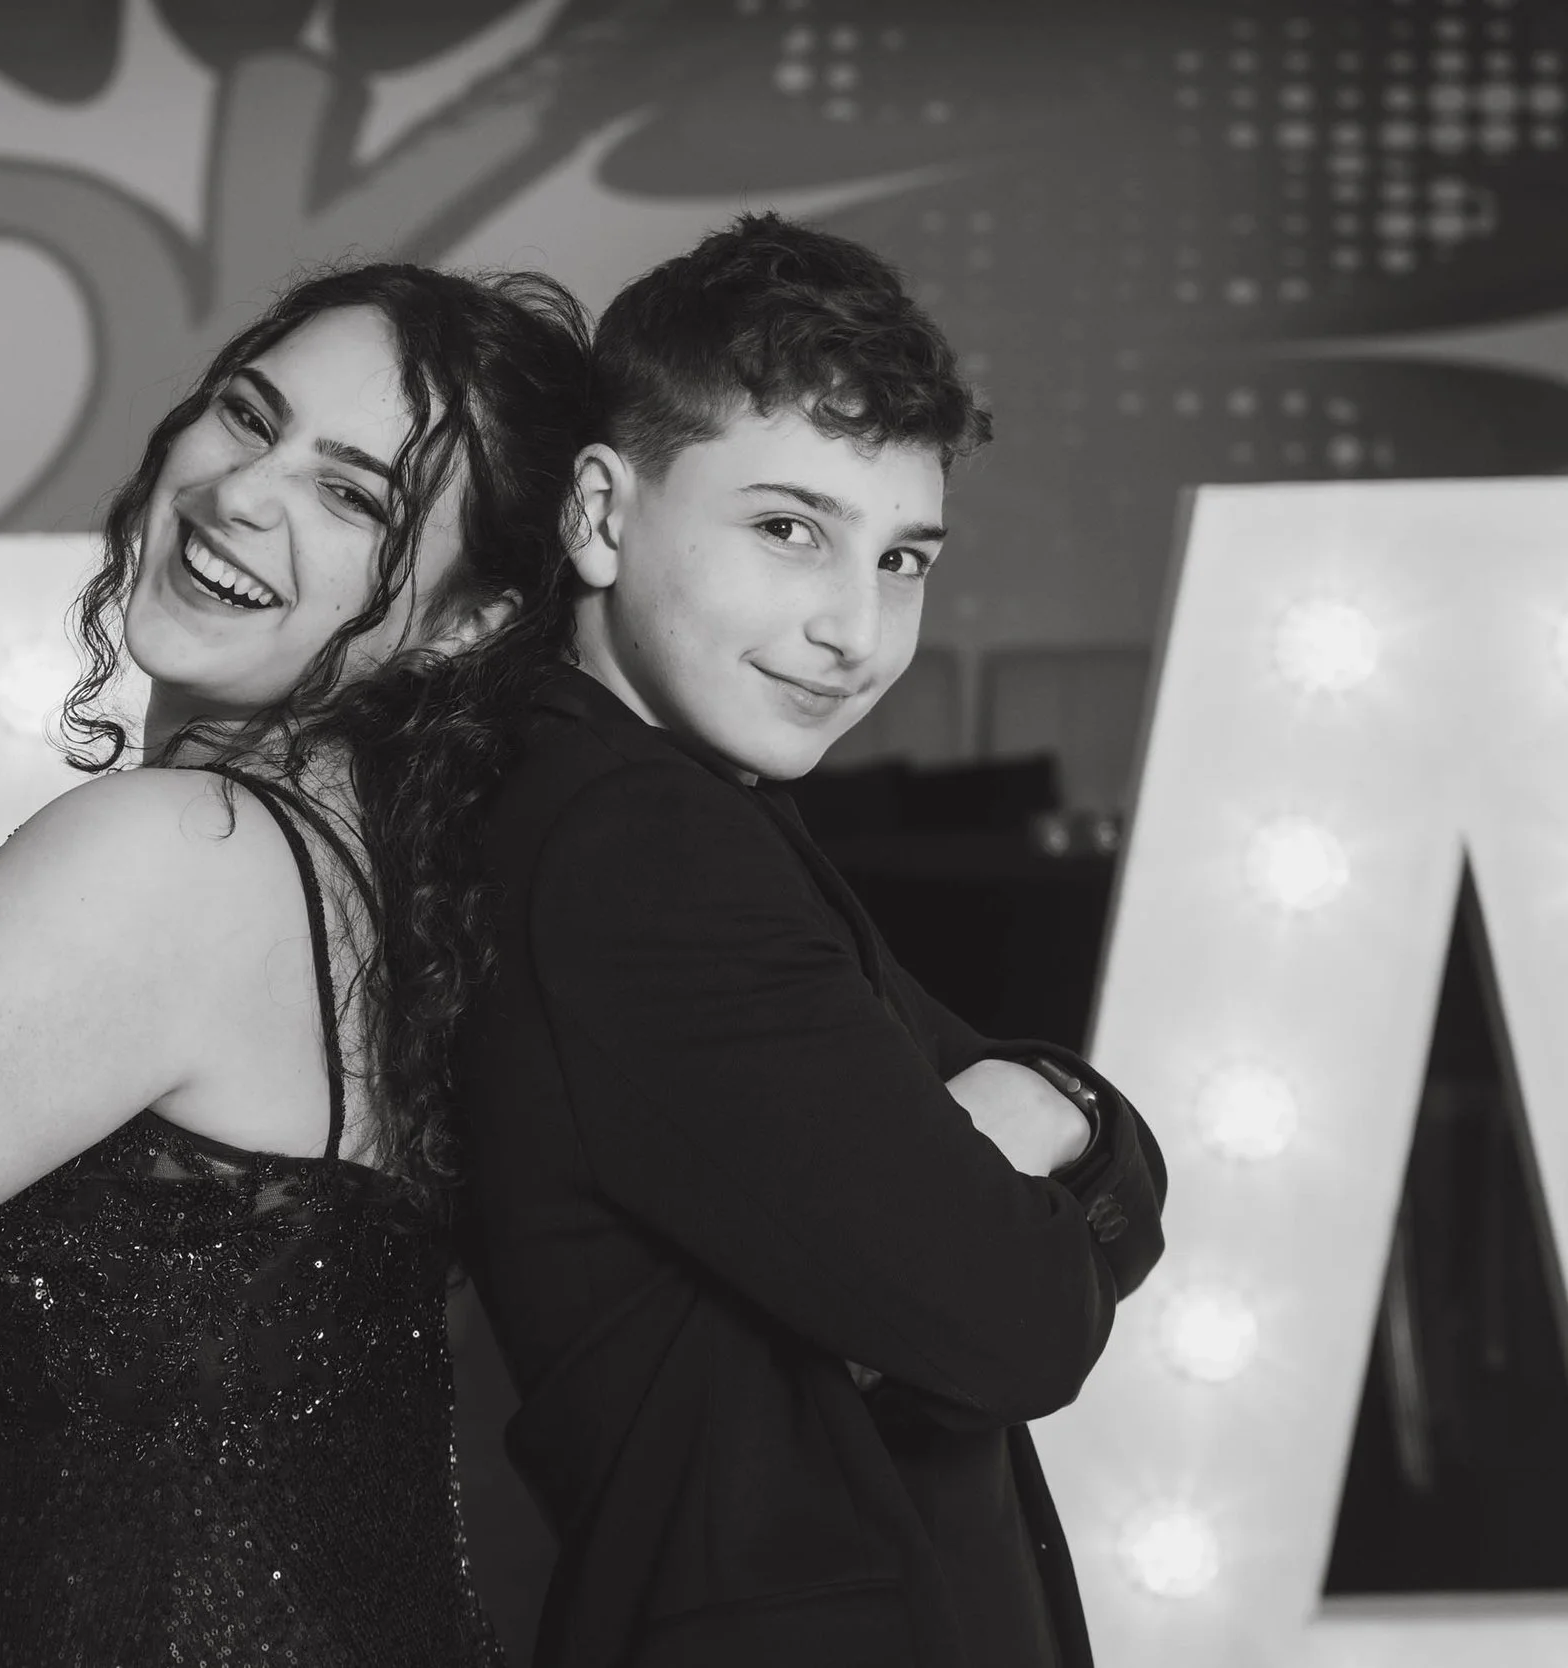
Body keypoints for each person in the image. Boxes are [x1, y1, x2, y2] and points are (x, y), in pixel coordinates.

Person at [0, 261, 591, 1666]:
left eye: (352, 495)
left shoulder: (174, 854)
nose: (243, 490)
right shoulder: (378, 881)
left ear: (465, 621)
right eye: (248, 415)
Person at [453, 213, 1168, 1667]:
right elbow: (1017, 1324)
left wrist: (1062, 1113)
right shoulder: (638, 844)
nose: (858, 629)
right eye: (789, 530)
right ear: (598, 515)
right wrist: (1057, 1120)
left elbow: (1056, 1198)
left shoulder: (669, 803)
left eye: (903, 558)